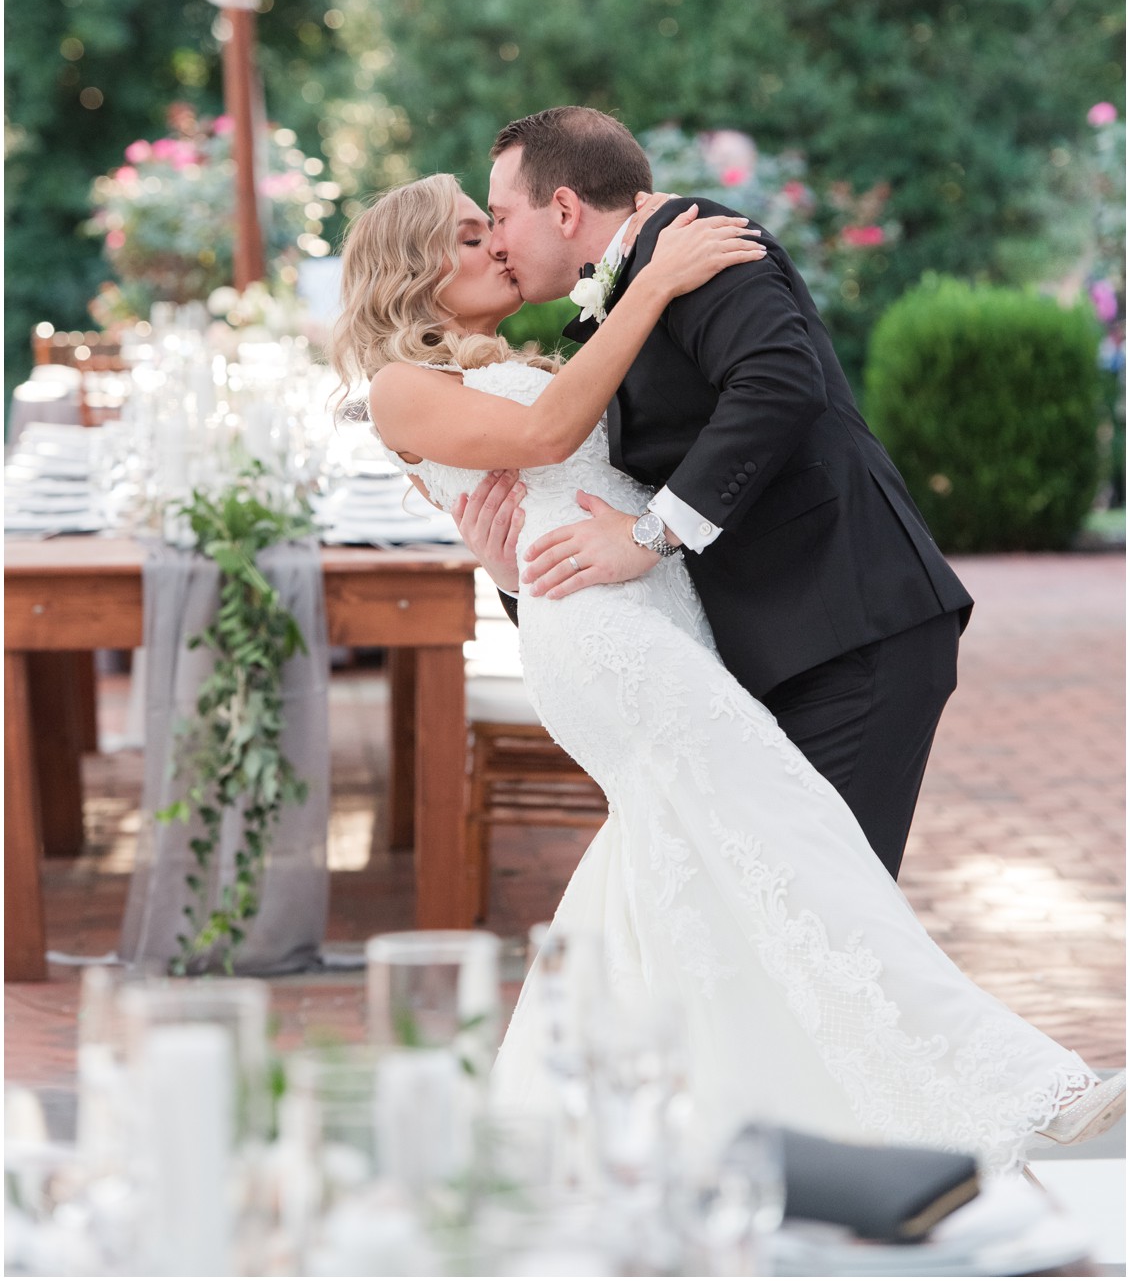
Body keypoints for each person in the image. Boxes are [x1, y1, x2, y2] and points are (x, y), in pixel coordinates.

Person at [331, 166, 1125, 1172]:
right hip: (608, 644)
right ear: (409, 270)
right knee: (792, 834)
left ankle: (596, 1123)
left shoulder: (521, 358)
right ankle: (1019, 1081)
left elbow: (580, 474)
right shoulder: (401, 387)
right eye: (466, 234)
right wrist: (652, 283)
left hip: (654, 618)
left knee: (672, 870)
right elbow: (546, 436)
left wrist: (516, 564)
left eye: (493, 224)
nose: (494, 244)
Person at [459, 106, 973, 882]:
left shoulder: (697, 239)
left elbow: (778, 384)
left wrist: (646, 537)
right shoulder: (617, 310)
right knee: (771, 924)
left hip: (852, 625)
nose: (495, 240)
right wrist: (513, 573)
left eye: (499, 216)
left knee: (830, 925)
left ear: (563, 208)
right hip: (775, 648)